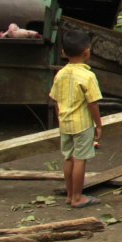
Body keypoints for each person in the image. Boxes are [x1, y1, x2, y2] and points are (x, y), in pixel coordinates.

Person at [49, 28, 103, 209]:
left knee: (69, 159)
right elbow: (93, 104)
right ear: (87, 52)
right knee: (80, 160)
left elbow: (55, 100)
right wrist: (98, 124)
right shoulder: (88, 76)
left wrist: (60, 118)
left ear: (63, 52)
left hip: (65, 124)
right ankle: (78, 197)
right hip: (82, 125)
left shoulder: (60, 74)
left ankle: (70, 195)